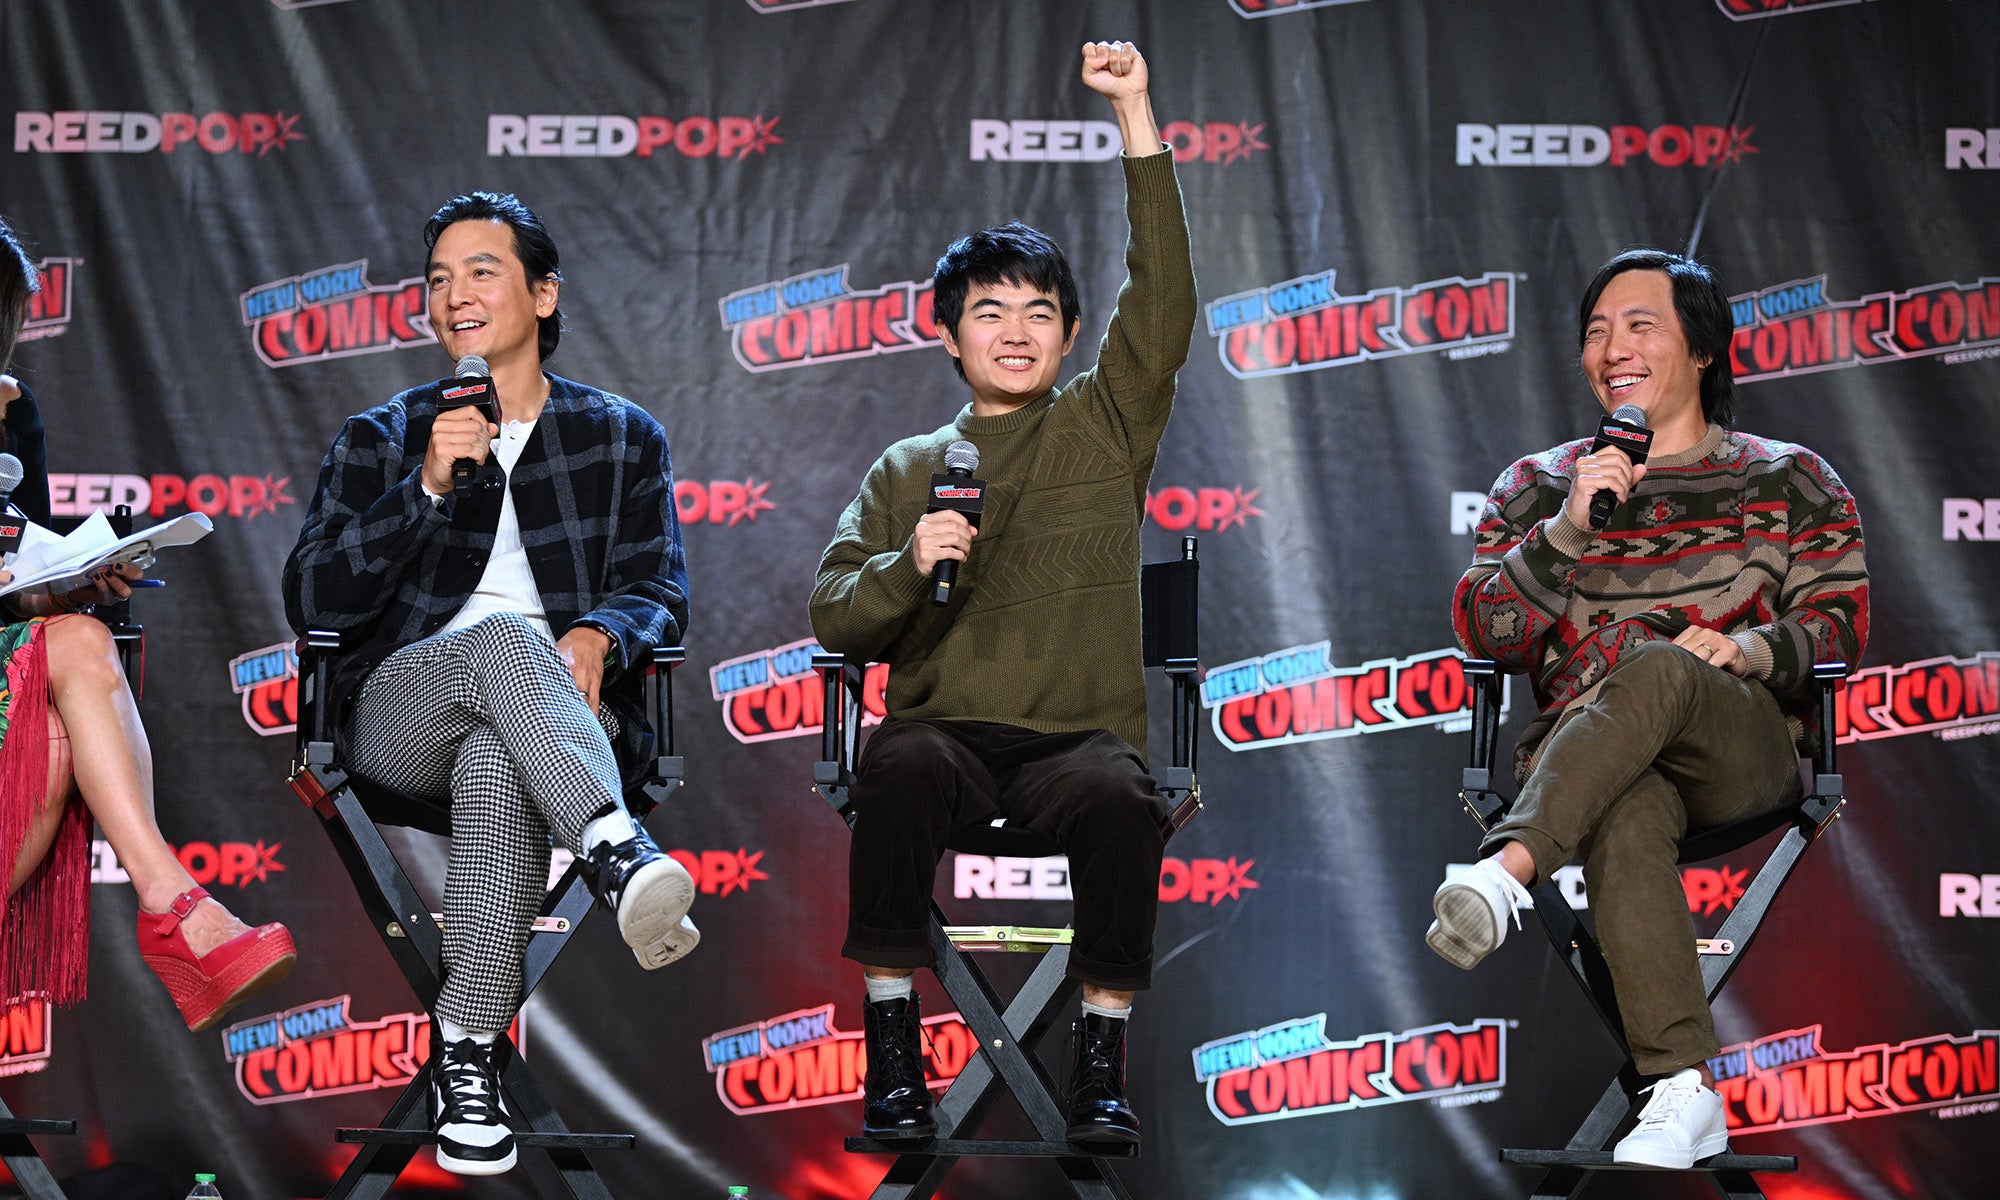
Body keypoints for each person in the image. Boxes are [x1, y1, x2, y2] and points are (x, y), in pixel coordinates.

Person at [810, 41, 1194, 1147]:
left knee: (1126, 798)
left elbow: (1161, 298)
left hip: (1079, 740)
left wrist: (1134, 110)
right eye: (988, 310)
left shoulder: (1105, 425)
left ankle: (1099, 1064)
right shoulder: (903, 467)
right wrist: (907, 560)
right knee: (897, 760)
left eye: (1038, 311)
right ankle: (891, 1058)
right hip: (947, 733)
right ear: (946, 334)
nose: (1015, 329)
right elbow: (836, 612)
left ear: (1071, 335)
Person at [283, 192, 694, 1176]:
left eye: (481, 270)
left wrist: (599, 633)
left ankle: (465, 1053)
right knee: (506, 643)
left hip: (558, 727)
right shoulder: (383, 436)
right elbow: (312, 600)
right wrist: (421, 488)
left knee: (496, 757)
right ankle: (614, 848)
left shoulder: (619, 436)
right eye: (437, 278)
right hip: (395, 718)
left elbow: (660, 589)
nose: (453, 294)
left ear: (542, 293)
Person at [1432, 248, 1868, 1168]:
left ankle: (1506, 871)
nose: (1611, 349)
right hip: (1589, 765)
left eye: (1640, 326)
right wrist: (1569, 529)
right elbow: (1487, 629)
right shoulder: (1539, 485)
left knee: (1664, 669)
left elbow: (1839, 627)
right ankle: (1681, 1091)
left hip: (1735, 747)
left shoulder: (1786, 477)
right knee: (1625, 812)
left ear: (1703, 348)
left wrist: (1747, 649)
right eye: (1596, 332)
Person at [0, 214, 297, 1033]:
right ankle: (177, 918)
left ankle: (173, 904)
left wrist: (80, 582)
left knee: (85, 646)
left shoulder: (11, 409)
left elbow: (21, 572)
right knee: (58, 731)